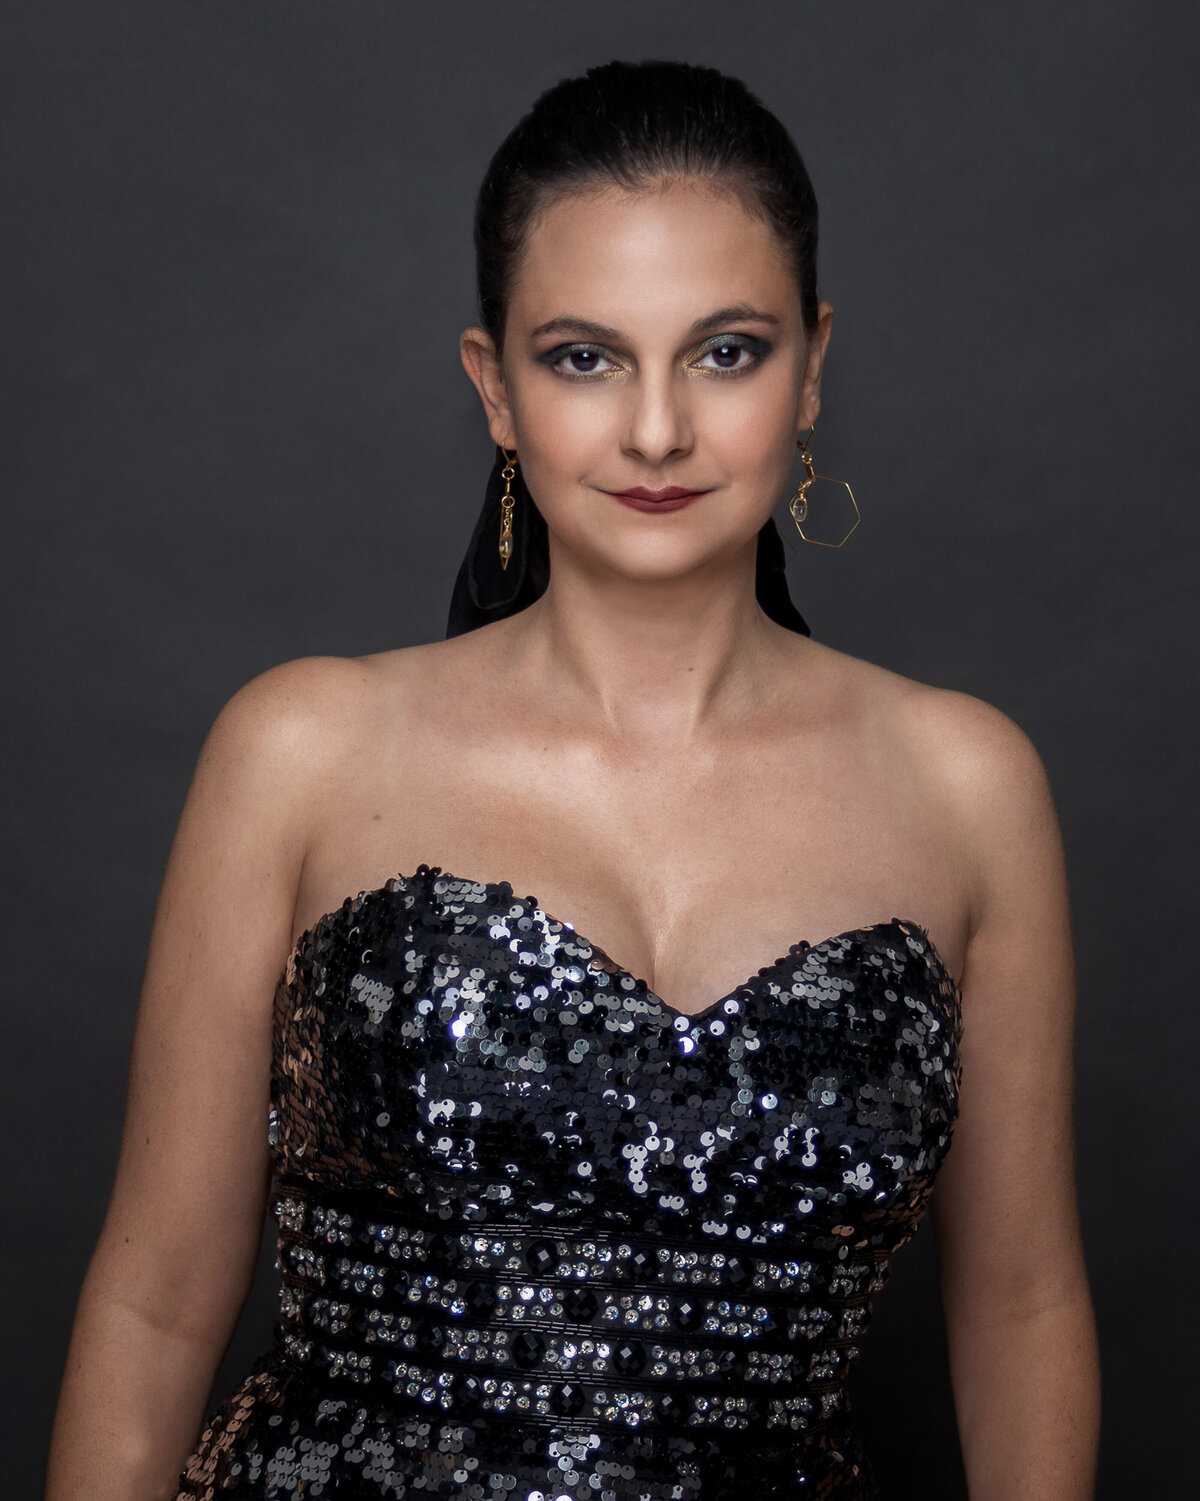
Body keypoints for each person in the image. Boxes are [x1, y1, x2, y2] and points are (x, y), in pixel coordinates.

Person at [44, 58, 1100, 1501]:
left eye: (725, 350)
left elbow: (1025, 1308)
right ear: (495, 387)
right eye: (585, 356)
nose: (658, 428)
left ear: (813, 364)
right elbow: (155, 1302)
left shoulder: (968, 785)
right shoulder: (301, 750)